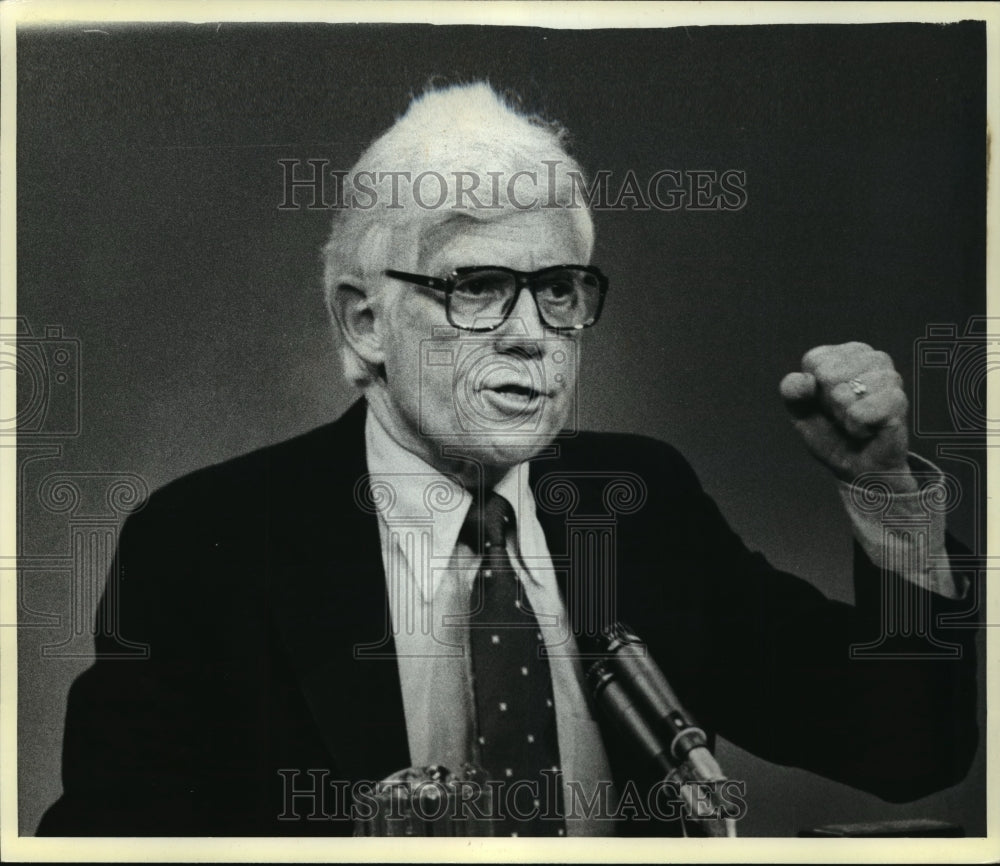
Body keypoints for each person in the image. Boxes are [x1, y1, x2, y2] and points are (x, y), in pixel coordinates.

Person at [37, 81, 978, 838]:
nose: (533, 335)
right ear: (364, 321)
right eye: (480, 287)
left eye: (561, 290)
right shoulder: (209, 539)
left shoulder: (640, 502)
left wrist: (884, 488)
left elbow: (909, 746)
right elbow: (111, 836)